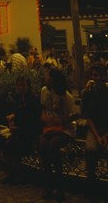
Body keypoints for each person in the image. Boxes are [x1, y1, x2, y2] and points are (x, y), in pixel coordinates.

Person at [39, 68, 79, 201]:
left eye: (48, 75)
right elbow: (43, 108)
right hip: (50, 127)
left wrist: (61, 121)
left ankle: (58, 186)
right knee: (43, 145)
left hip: (65, 129)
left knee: (53, 145)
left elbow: (75, 115)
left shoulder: (67, 97)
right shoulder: (44, 91)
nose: (45, 77)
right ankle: (50, 184)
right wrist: (45, 118)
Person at [0, 75, 41, 185]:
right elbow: (18, 113)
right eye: (18, 85)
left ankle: (18, 173)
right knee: (3, 141)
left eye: (23, 85)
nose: (20, 87)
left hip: (28, 132)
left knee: (13, 144)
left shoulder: (32, 100)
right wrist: (13, 121)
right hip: (18, 129)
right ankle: (10, 171)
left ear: (28, 86)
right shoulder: (17, 98)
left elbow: (33, 121)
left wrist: (19, 128)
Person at [81, 62, 108, 190]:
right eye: (95, 75)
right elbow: (88, 117)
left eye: (101, 75)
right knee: (90, 149)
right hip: (95, 130)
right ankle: (92, 182)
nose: (98, 78)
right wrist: (98, 136)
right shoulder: (87, 93)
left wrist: (106, 135)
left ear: (105, 76)